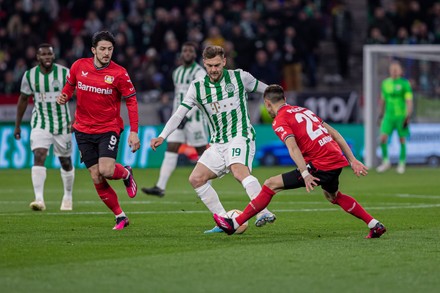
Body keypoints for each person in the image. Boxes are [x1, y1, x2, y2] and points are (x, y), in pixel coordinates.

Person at [214, 84, 387, 239]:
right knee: (333, 195)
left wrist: (305, 173)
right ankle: (374, 225)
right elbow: (334, 132)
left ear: (267, 103)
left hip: (321, 164)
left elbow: (293, 148)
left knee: (270, 184)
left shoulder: (279, 120)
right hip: (335, 160)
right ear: (285, 99)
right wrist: (353, 160)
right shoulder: (304, 110)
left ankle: (234, 223)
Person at [150, 45, 276, 233]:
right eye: (209, 66)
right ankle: (224, 221)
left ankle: (263, 211)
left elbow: (268, 91)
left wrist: (282, 108)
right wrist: (162, 136)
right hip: (218, 143)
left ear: (224, 61)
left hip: (240, 136)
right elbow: (179, 114)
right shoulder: (198, 87)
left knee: (238, 170)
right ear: (204, 64)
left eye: (217, 65)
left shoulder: (240, 77)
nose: (214, 70)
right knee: (196, 178)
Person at [56, 31, 140, 230]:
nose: (106, 53)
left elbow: (131, 101)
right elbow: (70, 87)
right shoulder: (78, 66)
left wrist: (134, 131)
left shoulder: (119, 73)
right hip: (82, 129)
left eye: (110, 49)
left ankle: (126, 174)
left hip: (108, 128)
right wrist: (64, 96)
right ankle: (120, 216)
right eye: (102, 49)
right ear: (93, 50)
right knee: (96, 176)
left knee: (107, 170)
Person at [142, 42, 209, 197]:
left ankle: (206, 186)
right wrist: (176, 116)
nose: (187, 53)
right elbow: (178, 96)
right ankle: (160, 187)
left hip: (195, 119)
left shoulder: (199, 72)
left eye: (190, 51)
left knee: (202, 152)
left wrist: (188, 115)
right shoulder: (177, 72)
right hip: (179, 117)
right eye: (184, 50)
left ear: (194, 54)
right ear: (181, 53)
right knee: (171, 147)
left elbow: (200, 96)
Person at [14, 43, 75, 212]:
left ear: (53, 56)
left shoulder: (65, 73)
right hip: (41, 122)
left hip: (63, 124)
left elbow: (80, 95)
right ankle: (39, 199)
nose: (47, 57)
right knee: (39, 155)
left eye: (50, 54)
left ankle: (68, 196)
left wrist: (77, 118)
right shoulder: (30, 76)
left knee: (65, 161)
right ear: (38, 57)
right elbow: (23, 99)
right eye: (44, 54)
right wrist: (17, 125)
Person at [377, 61, 413, 174]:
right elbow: (383, 100)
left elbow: (409, 101)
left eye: (396, 69)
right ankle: (386, 162)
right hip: (388, 116)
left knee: (401, 139)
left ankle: (402, 163)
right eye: (392, 69)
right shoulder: (385, 83)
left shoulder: (404, 84)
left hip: (401, 116)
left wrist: (408, 115)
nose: (394, 71)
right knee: (382, 138)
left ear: (400, 71)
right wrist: (381, 114)